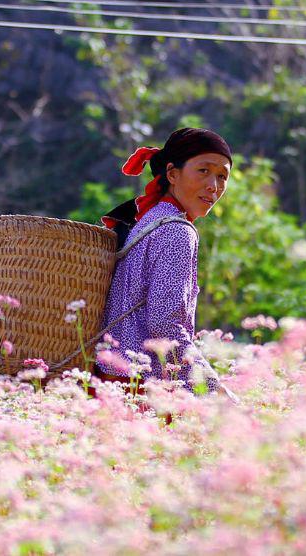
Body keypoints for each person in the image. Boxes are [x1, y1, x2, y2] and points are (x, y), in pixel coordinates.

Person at [95, 127, 238, 404]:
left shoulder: (148, 221)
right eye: (203, 171)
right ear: (172, 174)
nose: (214, 186)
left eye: (222, 176)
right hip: (141, 390)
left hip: (108, 380)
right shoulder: (177, 232)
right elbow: (165, 324)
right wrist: (213, 388)